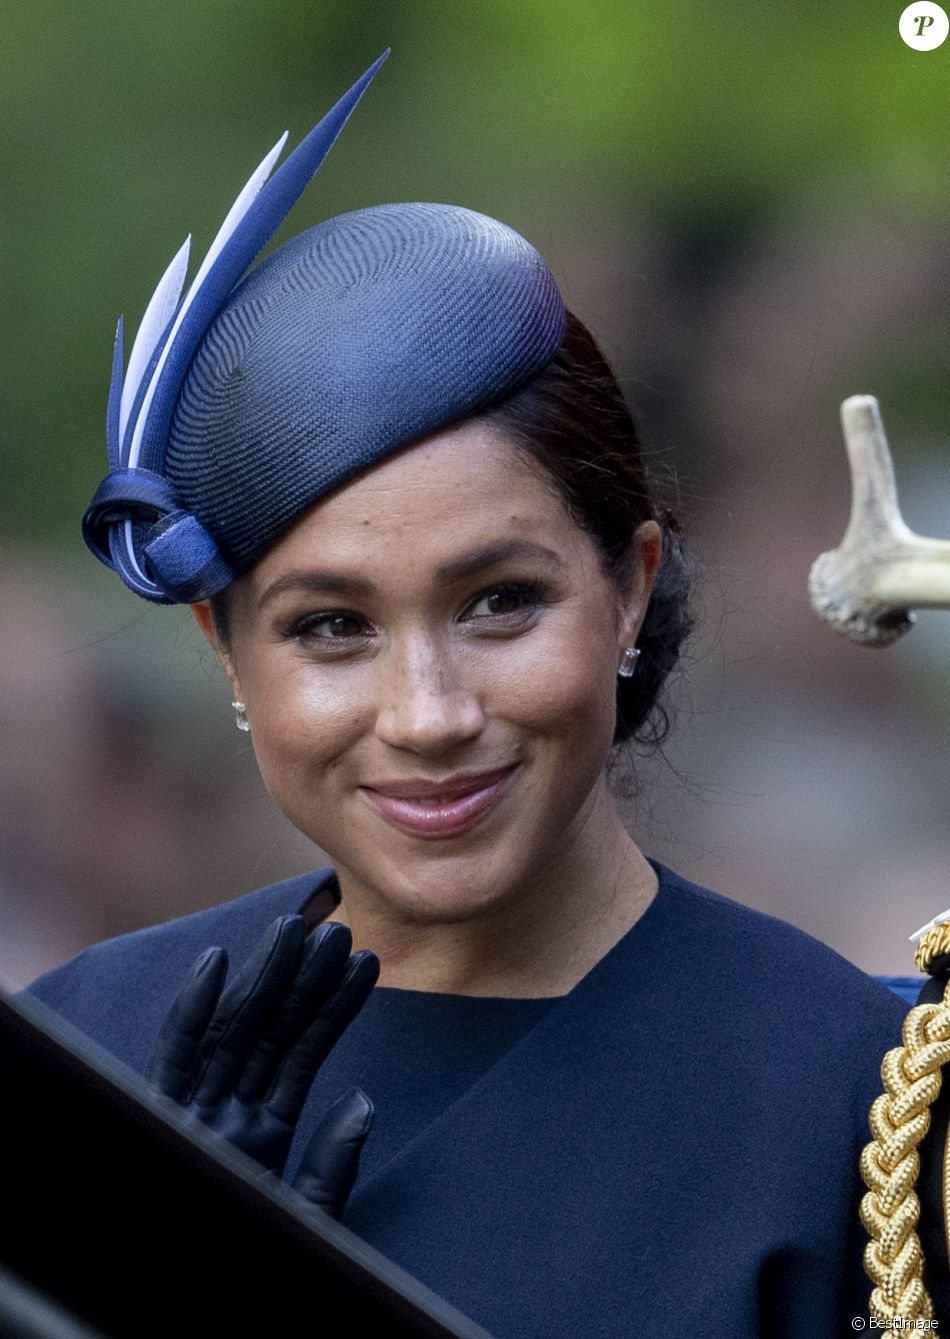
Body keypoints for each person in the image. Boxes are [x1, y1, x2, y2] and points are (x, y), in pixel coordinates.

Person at [24, 52, 917, 1335]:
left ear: (627, 587)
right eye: (330, 628)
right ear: (226, 652)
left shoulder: (854, 1107)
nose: (429, 711)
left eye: (499, 601)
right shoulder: (78, 1063)